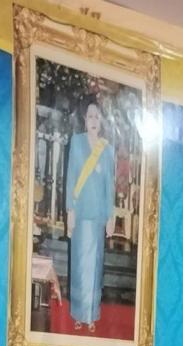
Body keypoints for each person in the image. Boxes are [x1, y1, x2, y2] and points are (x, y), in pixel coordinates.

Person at [65, 97, 115, 332]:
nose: (94, 120)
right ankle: (78, 313)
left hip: (98, 217)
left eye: (97, 116)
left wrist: (111, 217)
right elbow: (71, 177)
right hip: (81, 213)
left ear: (102, 121)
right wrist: (70, 210)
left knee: (94, 267)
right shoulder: (76, 142)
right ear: (85, 120)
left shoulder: (107, 150)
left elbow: (109, 187)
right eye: (90, 116)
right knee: (79, 265)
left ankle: (92, 314)